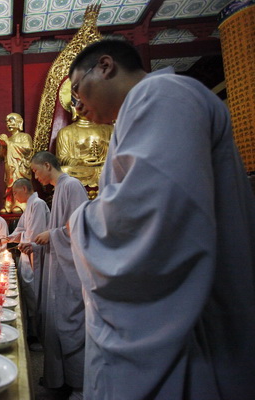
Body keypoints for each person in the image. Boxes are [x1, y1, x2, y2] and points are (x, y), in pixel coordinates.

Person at [67, 39, 255, 399]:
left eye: (77, 90)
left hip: (187, 319)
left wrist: (79, 222)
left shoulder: (162, 93)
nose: (78, 106)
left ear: (105, 66)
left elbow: (150, 213)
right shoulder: (143, 108)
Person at [25, 151, 87, 398]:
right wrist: (38, 244)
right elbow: (61, 227)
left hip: (69, 267)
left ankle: (80, 385)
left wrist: (53, 235)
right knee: (54, 322)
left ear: (47, 165)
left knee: (68, 323)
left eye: (37, 170)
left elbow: (80, 225)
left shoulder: (72, 185)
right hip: (57, 265)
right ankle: (59, 378)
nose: (35, 176)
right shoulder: (59, 188)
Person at [2, 178, 49, 341]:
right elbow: (22, 230)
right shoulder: (29, 206)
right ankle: (30, 332)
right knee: (28, 295)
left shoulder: (38, 204)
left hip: (34, 257)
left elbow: (34, 236)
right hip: (26, 257)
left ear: (24, 188)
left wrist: (24, 241)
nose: (14, 196)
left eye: (15, 192)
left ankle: (36, 336)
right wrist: (7, 239)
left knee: (34, 296)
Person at [55, 96, 112, 198]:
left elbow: (117, 155)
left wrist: (104, 162)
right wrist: (81, 162)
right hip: (80, 170)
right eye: (81, 105)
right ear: (74, 107)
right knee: (63, 171)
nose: (85, 108)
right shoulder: (66, 132)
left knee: (113, 169)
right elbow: (62, 158)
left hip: (102, 168)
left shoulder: (109, 130)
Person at [0, 113, 33, 213]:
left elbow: (27, 149)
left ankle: (21, 204)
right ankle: (9, 205)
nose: (8, 123)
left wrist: (9, 144)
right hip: (9, 167)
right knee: (10, 186)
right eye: (6, 121)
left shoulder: (25, 136)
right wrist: (3, 146)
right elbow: (1, 156)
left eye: (11, 120)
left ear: (19, 122)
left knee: (20, 184)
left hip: (20, 167)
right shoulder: (8, 139)